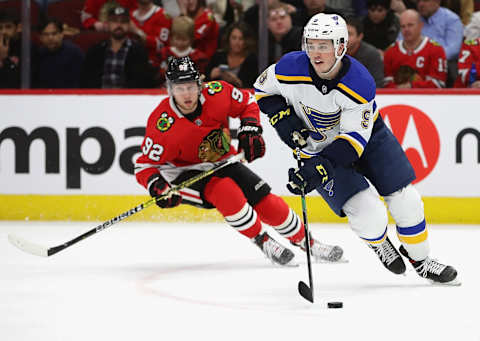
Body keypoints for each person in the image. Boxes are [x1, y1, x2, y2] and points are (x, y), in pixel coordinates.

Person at [254, 13, 458, 284]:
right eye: (311, 44)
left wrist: (318, 170)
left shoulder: (359, 83)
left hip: (367, 138)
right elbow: (262, 90)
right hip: (315, 146)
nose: (316, 53)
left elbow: (353, 142)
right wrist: (285, 121)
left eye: (324, 45)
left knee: (407, 201)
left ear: (340, 47)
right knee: (368, 214)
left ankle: (421, 260)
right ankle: (379, 243)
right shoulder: (289, 67)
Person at [135, 56, 344, 266]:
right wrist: (157, 185)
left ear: (199, 84)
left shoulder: (217, 92)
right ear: (170, 89)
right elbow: (143, 165)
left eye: (190, 86)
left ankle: (309, 243)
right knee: (226, 190)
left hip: (223, 161)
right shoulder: (162, 123)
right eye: (180, 88)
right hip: (183, 172)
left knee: (264, 198)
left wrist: (250, 126)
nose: (187, 94)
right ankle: (263, 241)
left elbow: (248, 103)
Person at [81, 5, 154, 88]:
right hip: (99, 97)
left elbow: (142, 82)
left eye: (123, 21)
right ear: (108, 24)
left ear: (129, 25)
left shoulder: (139, 51)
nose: (119, 25)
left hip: (128, 98)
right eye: (114, 21)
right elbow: (87, 80)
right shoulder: (95, 51)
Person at [383, 9, 447, 88]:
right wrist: (399, 90)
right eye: (403, 26)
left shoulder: (436, 50)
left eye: (410, 25)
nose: (406, 30)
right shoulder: (390, 51)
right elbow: (386, 83)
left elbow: (438, 84)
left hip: (427, 99)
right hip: (397, 99)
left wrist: (411, 87)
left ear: (421, 26)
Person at [33, 17, 85, 88]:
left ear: (62, 34)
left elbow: (81, 82)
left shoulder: (75, 53)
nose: (50, 38)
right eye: (45, 34)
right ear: (40, 37)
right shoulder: (37, 54)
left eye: (54, 34)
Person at [206, 21, 258, 88]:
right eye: (234, 38)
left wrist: (236, 81)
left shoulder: (251, 60)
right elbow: (205, 81)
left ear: (246, 41)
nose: (237, 42)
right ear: (228, 39)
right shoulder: (218, 56)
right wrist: (211, 75)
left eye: (241, 39)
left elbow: (252, 88)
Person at [157, 15, 208, 84]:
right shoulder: (164, 53)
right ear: (172, 37)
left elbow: (201, 77)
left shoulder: (198, 57)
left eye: (184, 40)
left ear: (191, 39)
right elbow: (159, 75)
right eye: (177, 39)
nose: (180, 43)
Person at [130, 0, 172, 67]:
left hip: (153, 65)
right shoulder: (130, 15)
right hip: (130, 63)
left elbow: (162, 45)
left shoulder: (162, 15)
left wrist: (138, 32)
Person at [345, 16, 384, 88]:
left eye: (349, 34)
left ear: (360, 37)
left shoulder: (372, 54)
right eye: (342, 34)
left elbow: (378, 84)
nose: (345, 38)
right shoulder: (332, 51)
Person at [0, 9, 21, 88]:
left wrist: (5, 59)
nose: (3, 32)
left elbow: (17, 83)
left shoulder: (27, 49)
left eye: (8, 27)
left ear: (19, 28)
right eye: (0, 28)